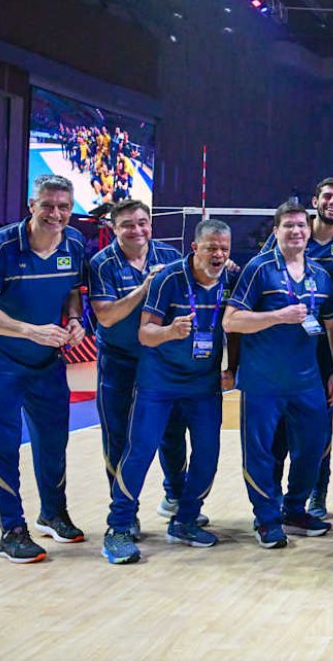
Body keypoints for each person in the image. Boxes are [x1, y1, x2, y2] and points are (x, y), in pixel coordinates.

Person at [102, 220, 237, 564]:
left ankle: (185, 520)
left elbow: (235, 331)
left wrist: (232, 368)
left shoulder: (231, 279)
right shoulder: (169, 278)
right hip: (159, 382)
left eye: (224, 248)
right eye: (211, 247)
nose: (218, 254)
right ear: (195, 248)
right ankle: (118, 527)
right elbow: (144, 333)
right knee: (140, 451)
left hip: (203, 385)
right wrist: (169, 332)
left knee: (208, 454)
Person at [0, 174, 87, 562]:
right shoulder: (0, 246)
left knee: (54, 441)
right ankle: (11, 531)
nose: (56, 213)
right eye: (47, 205)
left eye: (64, 206)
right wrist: (29, 330)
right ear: (31, 206)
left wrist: (74, 319)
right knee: (2, 446)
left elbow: (72, 291)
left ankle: (52, 513)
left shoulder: (74, 243)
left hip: (46, 361)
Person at [224, 201, 333, 548]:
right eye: (288, 226)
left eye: (301, 226)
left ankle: (294, 510)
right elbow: (231, 321)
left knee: (314, 447)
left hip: (307, 381)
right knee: (260, 452)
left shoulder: (319, 275)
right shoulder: (259, 269)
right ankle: (266, 518)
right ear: (276, 231)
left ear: (309, 231)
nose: (296, 231)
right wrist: (277, 316)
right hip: (262, 382)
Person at [88, 199, 191, 537]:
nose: (137, 230)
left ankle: (176, 497)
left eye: (142, 222)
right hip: (119, 360)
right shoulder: (102, 263)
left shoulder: (169, 256)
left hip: (160, 361)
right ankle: (125, 511)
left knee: (173, 430)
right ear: (113, 228)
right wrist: (144, 288)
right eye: (128, 225)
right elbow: (106, 316)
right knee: (118, 436)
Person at [261, 177, 333, 519]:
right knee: (278, 430)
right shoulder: (290, 234)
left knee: (319, 429)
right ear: (315, 201)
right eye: (326, 196)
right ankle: (273, 497)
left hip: (323, 346)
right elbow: (259, 273)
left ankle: (317, 492)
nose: (332, 202)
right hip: (283, 344)